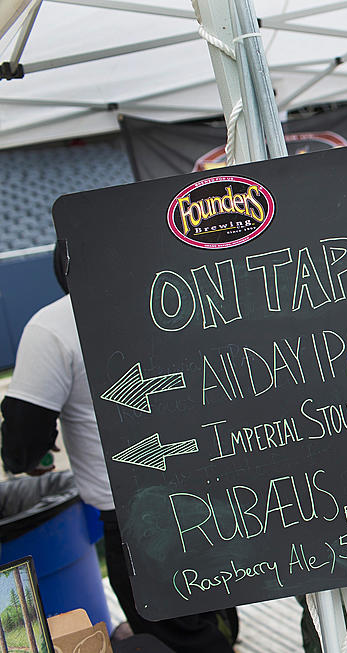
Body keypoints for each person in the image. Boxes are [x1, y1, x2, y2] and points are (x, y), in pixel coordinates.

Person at [0, 249, 238, 653]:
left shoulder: (55, 324)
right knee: (210, 615)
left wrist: (27, 458)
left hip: (140, 515)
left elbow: (24, 437)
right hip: (216, 491)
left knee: (181, 636)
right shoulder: (185, 296)